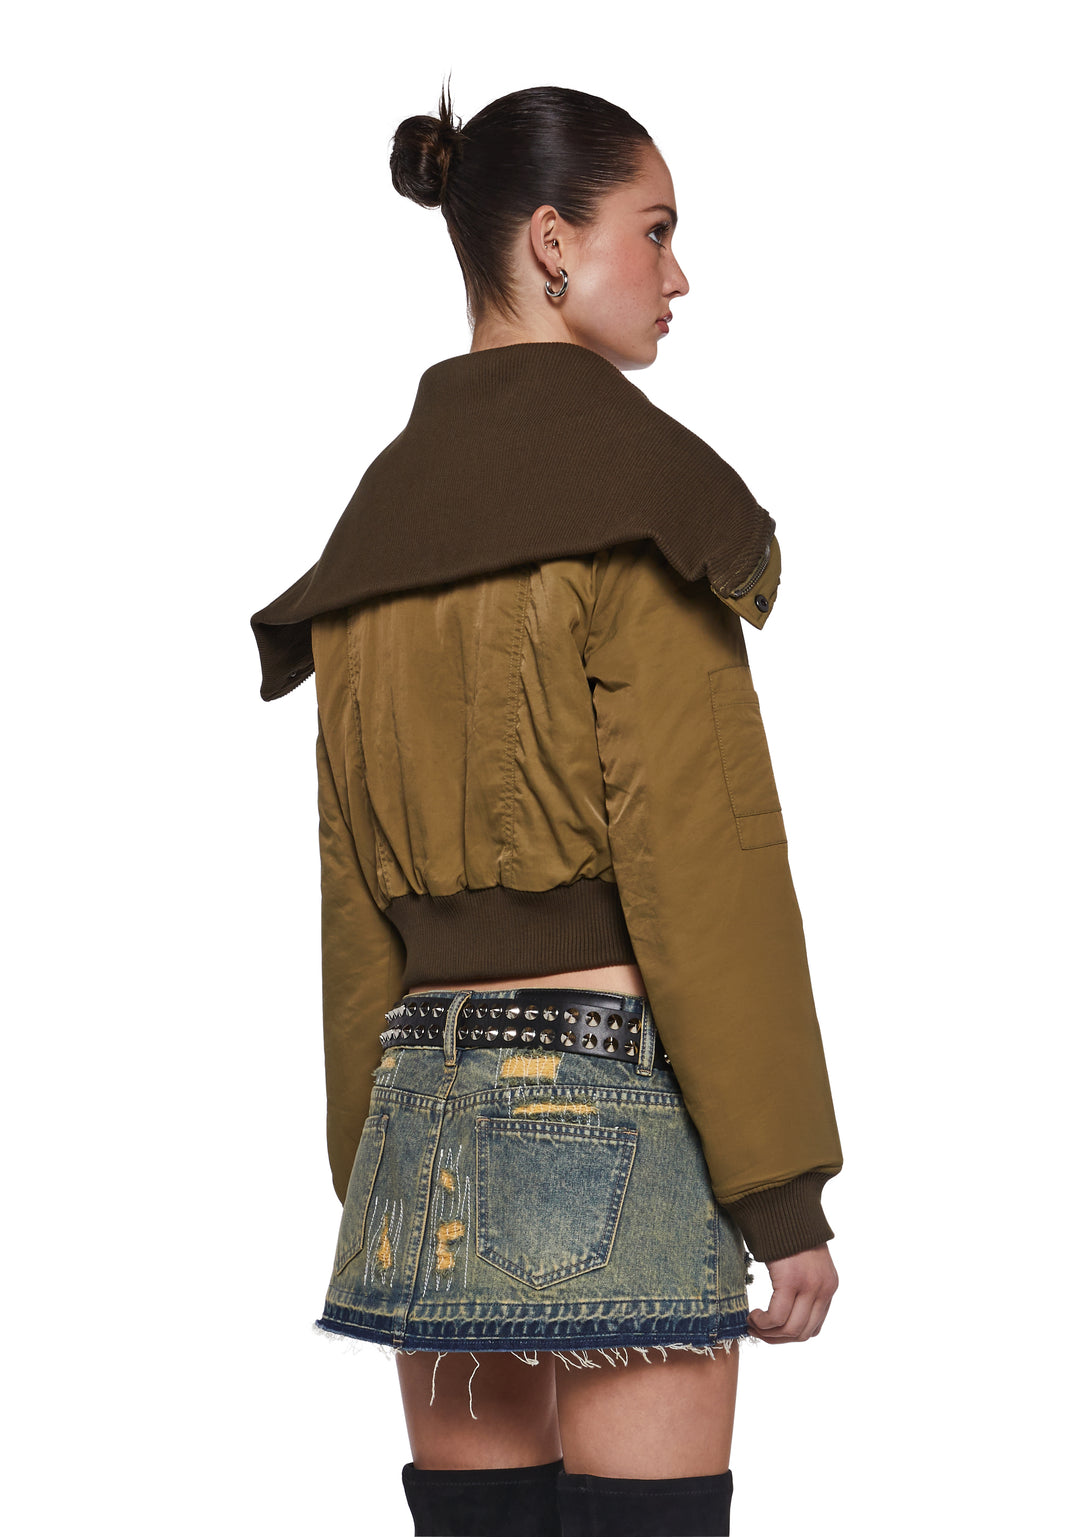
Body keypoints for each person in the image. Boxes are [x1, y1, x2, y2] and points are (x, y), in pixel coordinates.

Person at [250, 80, 843, 1537]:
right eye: (658, 230)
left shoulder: (374, 524)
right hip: (607, 1098)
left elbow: (349, 902)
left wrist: (371, 1168)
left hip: (421, 1121)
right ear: (552, 242)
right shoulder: (639, 492)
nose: (679, 275)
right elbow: (702, 860)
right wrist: (781, 1193)